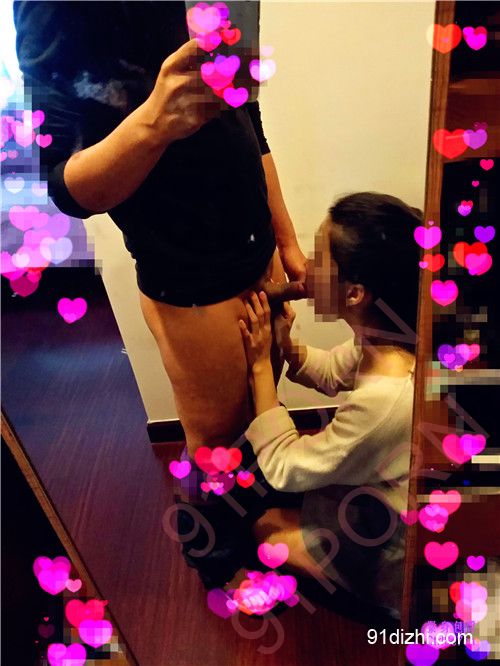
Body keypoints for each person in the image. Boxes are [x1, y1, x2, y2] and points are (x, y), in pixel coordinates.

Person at [13, 0, 305, 590]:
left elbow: (247, 112)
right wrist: (154, 122)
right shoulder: (54, 9)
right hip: (192, 275)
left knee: (258, 402)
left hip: (256, 247)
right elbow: (66, 188)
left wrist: (286, 238)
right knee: (214, 443)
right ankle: (216, 561)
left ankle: (255, 516)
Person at [239, 192, 421, 619]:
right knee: (281, 505)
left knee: (265, 532)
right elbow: (332, 371)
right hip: (373, 495)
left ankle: (383, 598)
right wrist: (285, 344)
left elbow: (284, 466)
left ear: (354, 293)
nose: (303, 269)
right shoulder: (389, 339)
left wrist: (261, 365)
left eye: (318, 260)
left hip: (387, 542)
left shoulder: (386, 398)